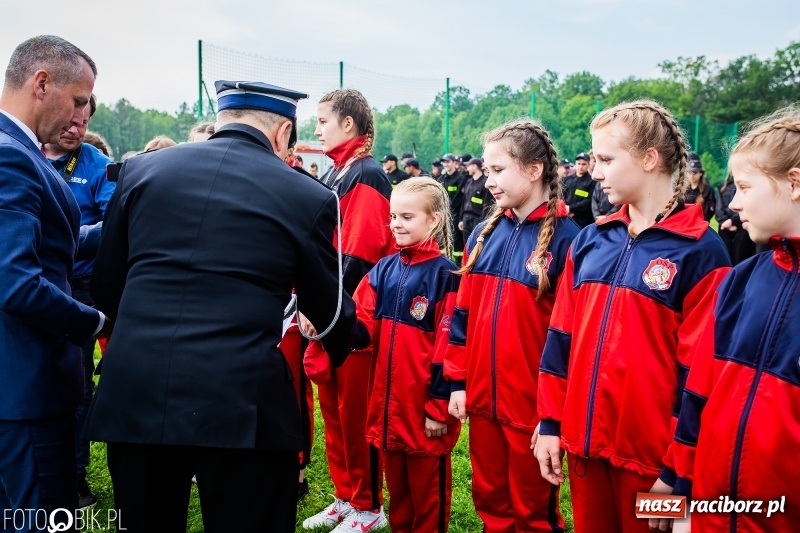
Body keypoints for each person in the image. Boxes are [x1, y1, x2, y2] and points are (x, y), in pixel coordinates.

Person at [84, 80, 360, 533]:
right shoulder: (305, 194)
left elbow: (107, 282)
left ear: (223, 119)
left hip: (137, 387)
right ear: (283, 132)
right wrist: (353, 338)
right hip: (239, 398)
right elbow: (326, 309)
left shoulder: (141, 171)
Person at [533, 100, 731, 533]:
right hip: (584, 450)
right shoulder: (590, 241)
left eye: (605, 159)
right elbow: (560, 339)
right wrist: (550, 422)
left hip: (655, 468)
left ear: (648, 159)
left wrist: (678, 472)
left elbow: (701, 375)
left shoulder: (701, 251)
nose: (595, 171)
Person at [444, 118, 578, 532]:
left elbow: (569, 337)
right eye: (486, 171)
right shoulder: (484, 233)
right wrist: (458, 380)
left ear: (534, 170)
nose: (488, 182)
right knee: (490, 499)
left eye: (498, 170)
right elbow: (463, 315)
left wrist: (551, 414)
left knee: (533, 510)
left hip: (531, 411)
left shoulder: (570, 240)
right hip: (482, 401)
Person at [669, 108, 800, 533]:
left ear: (794, 184)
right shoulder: (741, 280)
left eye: (744, 186)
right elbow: (700, 393)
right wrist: (683, 490)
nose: (735, 201)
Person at [0, 35, 110, 527]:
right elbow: (15, 281)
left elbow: (49, 243)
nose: (83, 116)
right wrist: (95, 322)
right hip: (26, 390)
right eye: (80, 100)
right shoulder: (13, 157)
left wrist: (126, 221)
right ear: (41, 83)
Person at [302, 88, 393, 533]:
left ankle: (369, 506)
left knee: (356, 413)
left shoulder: (368, 174)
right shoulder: (339, 172)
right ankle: (345, 496)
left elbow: (361, 253)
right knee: (333, 409)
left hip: (356, 315)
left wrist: (323, 305)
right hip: (331, 308)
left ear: (349, 125)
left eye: (322, 120)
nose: (316, 129)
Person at [353, 177, 461, 533]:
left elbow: (451, 348)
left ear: (433, 220)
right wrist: (325, 318)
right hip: (389, 416)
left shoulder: (447, 275)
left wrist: (437, 407)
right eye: (393, 216)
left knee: (428, 501)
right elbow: (360, 324)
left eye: (407, 217)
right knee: (399, 499)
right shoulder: (383, 270)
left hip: (425, 418)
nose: (396, 224)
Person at [44, 91, 115, 510]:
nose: (77, 129)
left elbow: (113, 224)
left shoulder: (96, 165)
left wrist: (63, 243)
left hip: (79, 290)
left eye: (84, 123)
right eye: (71, 121)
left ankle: (75, 476)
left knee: (76, 386)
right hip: (30, 287)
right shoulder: (23, 153)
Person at [715, 171, 756, 265]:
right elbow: (718, 208)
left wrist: (732, 220)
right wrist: (725, 221)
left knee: (741, 259)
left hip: (742, 227)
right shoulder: (722, 186)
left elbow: (747, 205)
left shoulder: (747, 185)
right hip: (724, 228)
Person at [458, 156, 493, 244]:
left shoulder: (485, 183)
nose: (467, 168)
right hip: (466, 218)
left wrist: (482, 223)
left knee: (476, 244)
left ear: (475, 166)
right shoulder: (469, 182)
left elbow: (487, 205)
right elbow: (464, 201)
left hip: (477, 219)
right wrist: (461, 219)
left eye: (468, 166)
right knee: (467, 244)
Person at [440, 153, 465, 263]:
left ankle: (457, 263)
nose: (445, 164)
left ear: (454, 163)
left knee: (456, 240)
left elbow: (459, 197)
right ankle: (444, 260)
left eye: (447, 162)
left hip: (456, 214)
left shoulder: (460, 178)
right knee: (443, 238)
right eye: (444, 162)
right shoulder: (442, 178)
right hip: (443, 213)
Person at [561, 151, 596, 227]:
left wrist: (571, 208)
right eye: (579, 164)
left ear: (588, 165)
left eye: (584, 164)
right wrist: (565, 209)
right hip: (565, 217)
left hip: (583, 220)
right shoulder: (566, 180)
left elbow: (589, 201)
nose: (580, 167)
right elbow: (560, 195)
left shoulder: (592, 182)